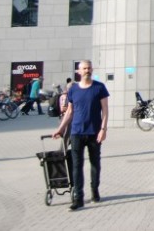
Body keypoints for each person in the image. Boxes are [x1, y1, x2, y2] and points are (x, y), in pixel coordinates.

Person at [52, 60, 109, 211]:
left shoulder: (99, 87)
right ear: (79, 71)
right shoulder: (73, 90)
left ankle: (95, 190)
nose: (87, 70)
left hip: (94, 133)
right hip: (76, 132)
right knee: (77, 166)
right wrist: (61, 129)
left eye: (89, 68)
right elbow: (69, 112)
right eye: (84, 68)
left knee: (95, 163)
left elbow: (105, 110)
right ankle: (78, 198)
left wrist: (103, 129)